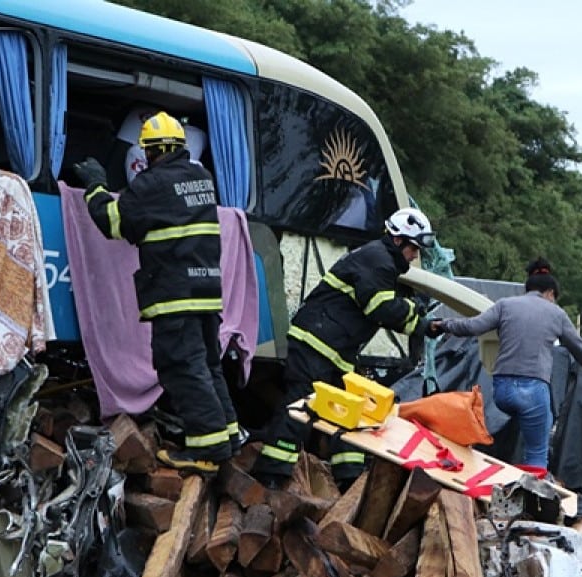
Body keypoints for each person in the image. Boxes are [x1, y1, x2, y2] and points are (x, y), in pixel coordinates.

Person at [73, 111, 238, 474]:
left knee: (182, 367)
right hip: (206, 291)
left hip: (174, 293)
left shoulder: (152, 184)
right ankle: (226, 435)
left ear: (149, 152)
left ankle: (207, 451)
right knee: (207, 365)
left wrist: (97, 186)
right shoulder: (201, 177)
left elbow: (114, 222)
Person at [252, 208, 437, 488]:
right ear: (398, 241)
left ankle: (349, 480)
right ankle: (271, 475)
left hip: (334, 352)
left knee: (349, 415)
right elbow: (380, 306)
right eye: (413, 249)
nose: (414, 256)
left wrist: (416, 318)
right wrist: (417, 316)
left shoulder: (379, 259)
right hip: (315, 346)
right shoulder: (378, 260)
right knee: (301, 408)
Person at [430, 268, 582, 469]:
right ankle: (533, 491)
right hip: (532, 391)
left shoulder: (505, 305)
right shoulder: (556, 313)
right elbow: (580, 349)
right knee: (537, 453)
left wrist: (443, 324)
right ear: (550, 293)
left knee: (520, 424)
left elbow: (472, 327)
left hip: (502, 392)